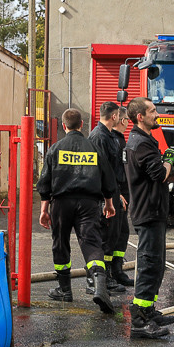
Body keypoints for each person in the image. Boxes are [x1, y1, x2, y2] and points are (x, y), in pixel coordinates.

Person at [37, 108, 117, 313]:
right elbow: (108, 179)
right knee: (91, 242)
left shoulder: (55, 148)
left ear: (64, 126)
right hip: (89, 203)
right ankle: (100, 285)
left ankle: (65, 290)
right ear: (82, 125)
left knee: (60, 243)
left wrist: (44, 210)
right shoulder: (93, 147)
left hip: (61, 203)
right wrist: (109, 203)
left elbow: (45, 183)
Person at [124, 96, 174, 339]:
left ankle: (149, 311)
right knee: (148, 266)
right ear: (140, 117)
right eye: (153, 111)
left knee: (156, 264)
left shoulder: (145, 140)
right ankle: (138, 321)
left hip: (153, 211)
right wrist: (168, 160)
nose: (157, 114)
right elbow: (158, 174)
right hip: (147, 212)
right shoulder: (141, 143)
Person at [88, 102, 128, 294]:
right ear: (114, 117)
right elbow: (103, 169)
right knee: (105, 238)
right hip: (106, 194)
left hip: (113, 191)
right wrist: (111, 195)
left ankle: (109, 277)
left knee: (113, 237)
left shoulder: (110, 136)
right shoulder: (99, 137)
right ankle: (97, 281)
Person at [109, 107, 134, 287]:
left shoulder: (119, 140)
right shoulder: (112, 140)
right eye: (126, 120)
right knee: (111, 235)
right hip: (115, 195)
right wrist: (115, 194)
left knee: (122, 233)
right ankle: (109, 274)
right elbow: (109, 171)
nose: (127, 123)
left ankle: (117, 270)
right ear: (121, 120)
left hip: (123, 194)